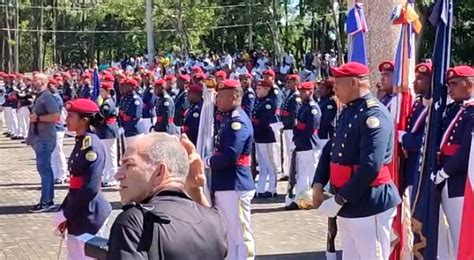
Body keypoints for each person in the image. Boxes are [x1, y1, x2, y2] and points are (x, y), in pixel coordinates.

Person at [312, 62, 401, 259]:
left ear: (353, 83)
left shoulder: (373, 114)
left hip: (369, 201)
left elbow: (371, 166)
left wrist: (340, 198)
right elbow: (331, 148)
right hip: (348, 201)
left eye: (338, 85)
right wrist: (318, 183)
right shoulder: (349, 110)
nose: (334, 89)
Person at [107, 133, 227, 259]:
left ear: (159, 172)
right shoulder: (215, 220)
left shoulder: (136, 222)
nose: (118, 175)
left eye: (129, 165)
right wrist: (195, 190)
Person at [54, 98, 112, 259]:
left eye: (71, 116)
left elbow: (90, 187)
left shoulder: (91, 145)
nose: (66, 120)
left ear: (84, 120)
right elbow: (75, 183)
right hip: (80, 212)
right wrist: (64, 210)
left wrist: (68, 213)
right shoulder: (81, 142)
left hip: (90, 214)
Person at [204, 79, 256, 259]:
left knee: (241, 234)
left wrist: (207, 161)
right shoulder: (229, 119)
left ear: (235, 97)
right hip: (226, 184)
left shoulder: (237, 122)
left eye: (222, 97)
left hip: (235, 184)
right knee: (228, 233)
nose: (218, 101)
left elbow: (230, 156)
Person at [431, 65, 473, 258]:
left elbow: (466, 150)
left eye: (454, 84)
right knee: (448, 236)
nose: (450, 89)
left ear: (470, 84)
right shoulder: (454, 109)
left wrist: (444, 172)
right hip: (447, 179)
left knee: (461, 234)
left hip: (461, 181)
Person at [26, 73, 61, 212]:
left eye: (35, 80)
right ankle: (47, 199)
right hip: (39, 137)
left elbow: (56, 115)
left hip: (45, 138)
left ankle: (46, 201)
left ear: (42, 82)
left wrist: (38, 118)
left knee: (44, 170)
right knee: (46, 170)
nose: (33, 82)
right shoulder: (41, 96)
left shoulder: (47, 97)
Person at [285, 81, 321, 210]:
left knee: (310, 175)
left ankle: (310, 199)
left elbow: (309, 130)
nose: (301, 93)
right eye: (300, 91)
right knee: (301, 174)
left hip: (309, 145)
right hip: (301, 145)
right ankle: (300, 199)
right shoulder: (303, 106)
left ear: (310, 92)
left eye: (303, 91)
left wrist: (299, 142)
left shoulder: (313, 109)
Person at [397, 63, 430, 190]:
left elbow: (425, 139)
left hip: (421, 164)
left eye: (420, 79)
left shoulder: (434, 107)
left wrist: (404, 138)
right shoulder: (418, 103)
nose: (414, 82)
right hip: (410, 162)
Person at [252, 80, 279, 198]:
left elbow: (264, 121)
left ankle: (272, 188)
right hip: (258, 135)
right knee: (262, 164)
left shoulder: (269, 103)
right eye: (257, 88)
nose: (257, 90)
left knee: (270, 163)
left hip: (266, 135)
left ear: (267, 89)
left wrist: (255, 131)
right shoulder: (260, 101)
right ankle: (260, 188)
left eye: (260, 88)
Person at [95, 80, 120, 187]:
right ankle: (107, 177)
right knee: (106, 156)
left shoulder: (108, 103)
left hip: (108, 131)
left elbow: (100, 116)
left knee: (111, 155)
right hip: (104, 131)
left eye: (102, 91)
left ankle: (113, 178)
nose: (100, 93)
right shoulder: (105, 102)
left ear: (108, 92)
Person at [280, 74, 301, 181]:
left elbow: (295, 114)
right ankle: (288, 172)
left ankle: (294, 173)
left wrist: (292, 126)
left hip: (291, 128)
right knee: (287, 151)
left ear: (295, 83)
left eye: (290, 82)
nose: (287, 84)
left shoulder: (296, 96)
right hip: (287, 127)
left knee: (292, 151)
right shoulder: (290, 95)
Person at [48, 78, 68, 185]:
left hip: (57, 128)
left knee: (58, 152)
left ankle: (63, 174)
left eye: (52, 85)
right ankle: (56, 174)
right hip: (50, 128)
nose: (50, 87)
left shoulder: (56, 98)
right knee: (53, 153)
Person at [118, 78, 144, 142]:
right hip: (127, 127)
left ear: (132, 87)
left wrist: (124, 115)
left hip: (134, 128)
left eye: (127, 86)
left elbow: (136, 116)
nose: (125, 87)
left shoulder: (136, 99)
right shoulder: (126, 98)